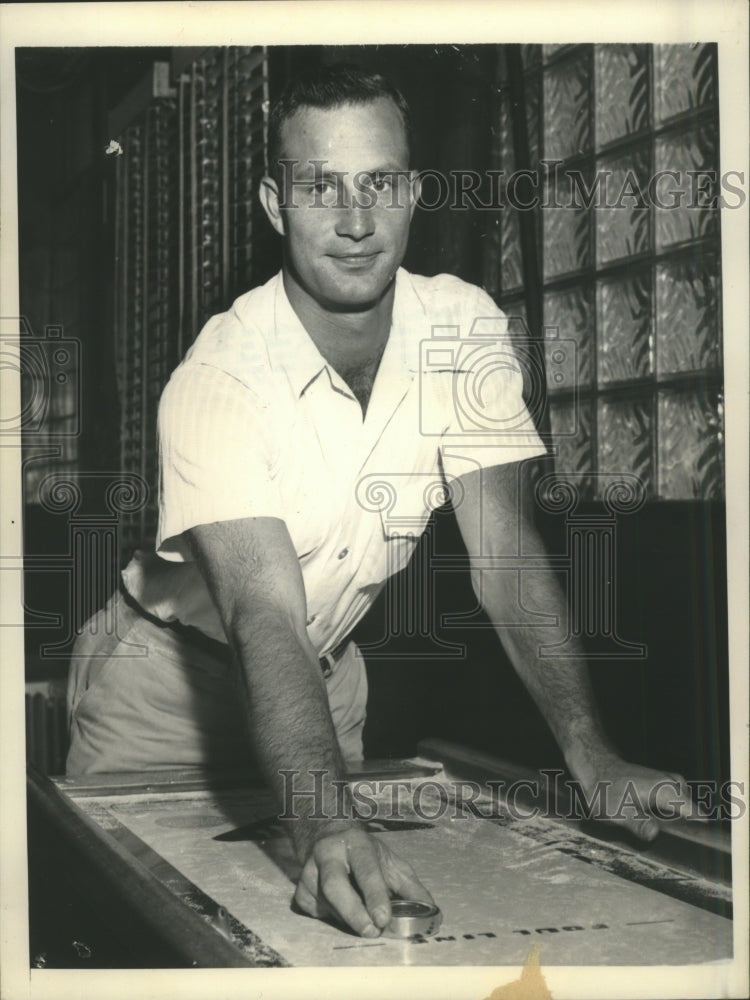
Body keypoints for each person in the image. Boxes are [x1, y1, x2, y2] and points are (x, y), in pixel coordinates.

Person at [66, 64, 695, 939]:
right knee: (133, 936)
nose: (357, 222)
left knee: (340, 942)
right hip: (170, 694)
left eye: (381, 183)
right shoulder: (216, 380)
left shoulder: (464, 327)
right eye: (322, 187)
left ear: (415, 191)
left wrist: (592, 754)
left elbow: (507, 559)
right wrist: (325, 821)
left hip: (321, 690)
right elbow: (264, 615)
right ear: (273, 202)